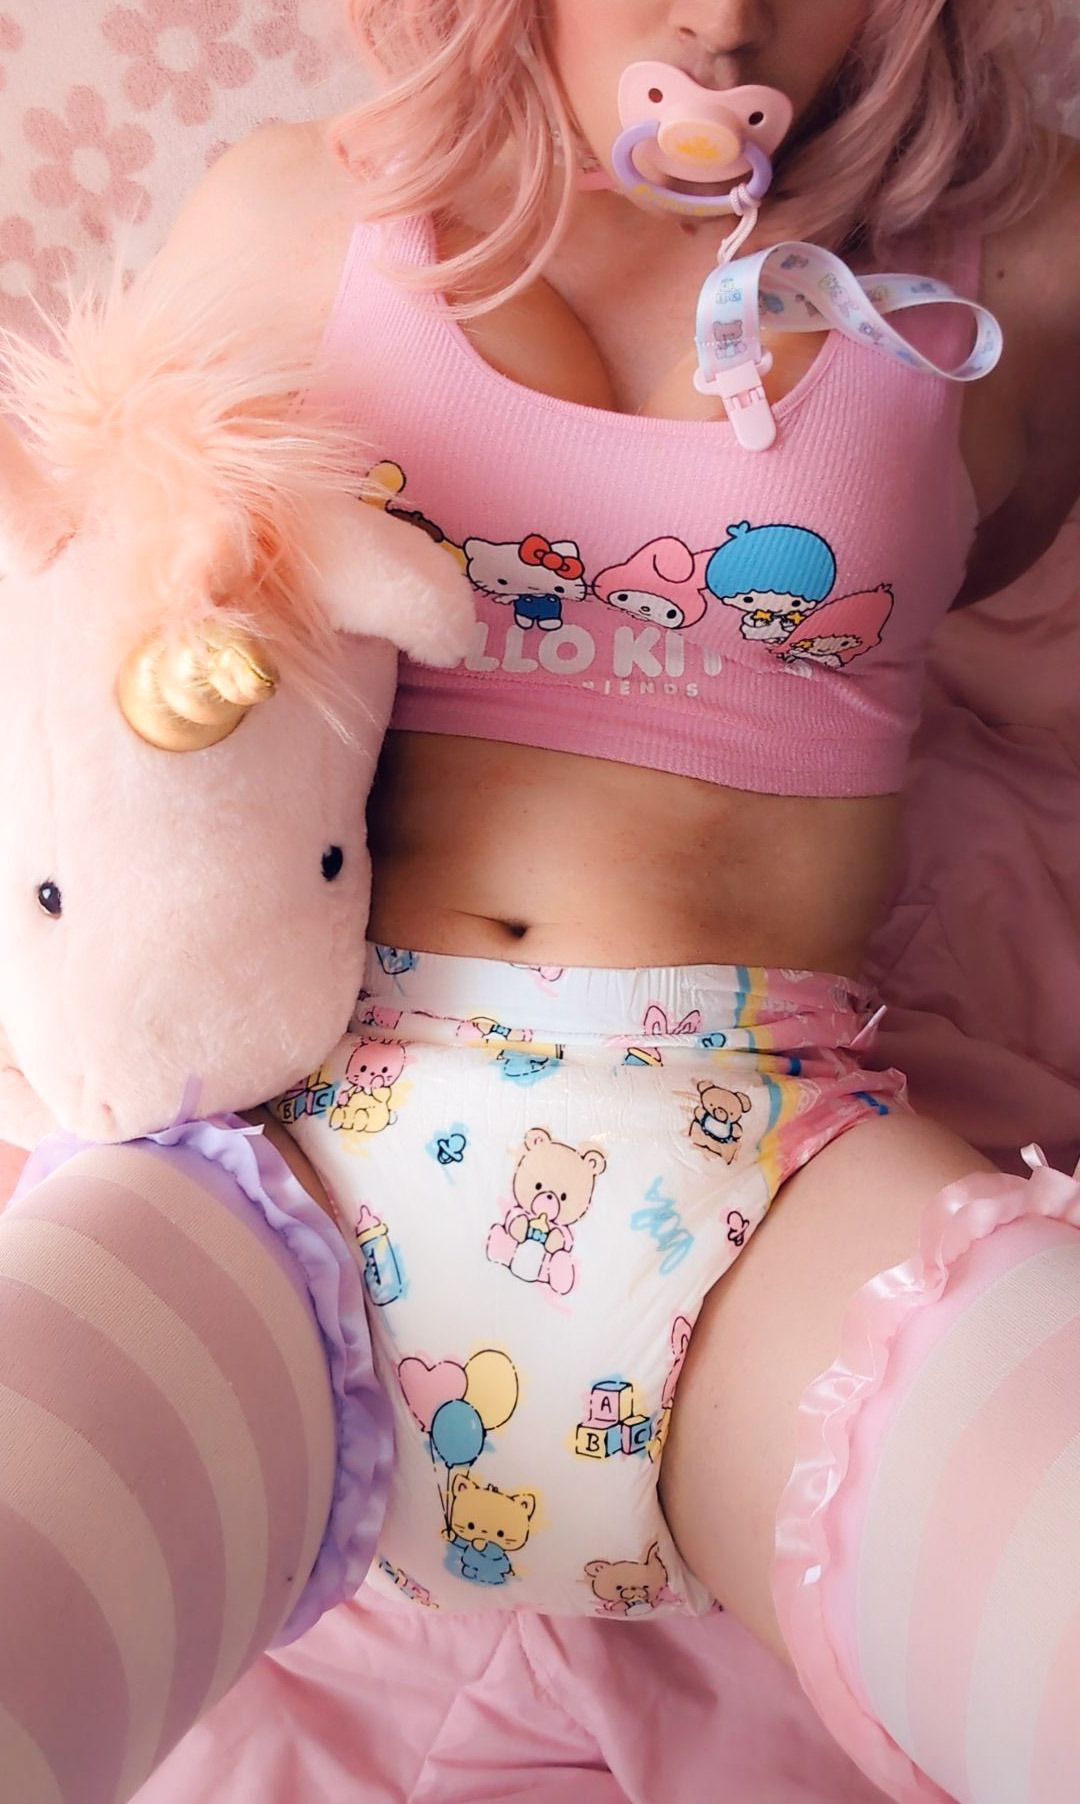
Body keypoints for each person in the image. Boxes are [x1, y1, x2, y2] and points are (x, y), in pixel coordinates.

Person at [3, 5, 1080, 1801]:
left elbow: (1021, 542)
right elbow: (76, 680)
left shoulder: (1023, 257)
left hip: (771, 1178)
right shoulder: (291, 213)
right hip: (284, 1174)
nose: (721, 19)